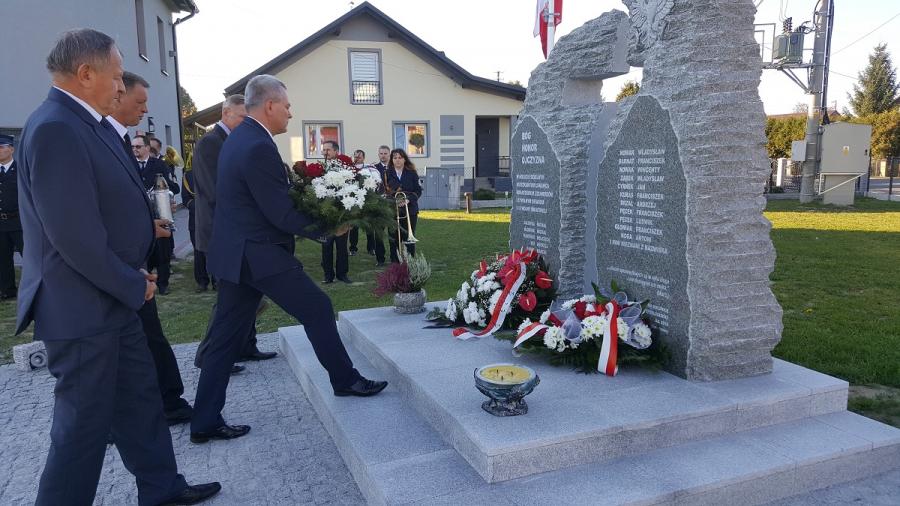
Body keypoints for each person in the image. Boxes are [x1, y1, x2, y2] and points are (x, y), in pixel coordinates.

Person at [16, 28, 219, 505]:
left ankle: (162, 488)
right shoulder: (55, 129)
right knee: (82, 429)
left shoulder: (91, 125)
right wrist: (130, 282)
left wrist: (134, 270)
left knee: (138, 401)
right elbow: (73, 237)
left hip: (113, 297)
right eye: (116, 76)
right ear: (86, 74)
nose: (121, 87)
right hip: (82, 308)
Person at [191, 75, 387, 444]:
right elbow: (278, 211)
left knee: (224, 338)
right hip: (258, 252)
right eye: (287, 106)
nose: (290, 113)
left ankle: (204, 420)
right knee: (317, 307)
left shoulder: (238, 138)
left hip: (236, 254)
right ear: (269, 105)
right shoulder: (257, 145)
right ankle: (345, 379)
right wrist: (329, 229)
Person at [108, 70, 193, 425]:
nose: (145, 110)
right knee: (134, 342)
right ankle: (155, 406)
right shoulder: (100, 139)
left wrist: (148, 226)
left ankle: (167, 400)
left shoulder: (118, 139)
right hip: (118, 267)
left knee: (148, 337)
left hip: (133, 260)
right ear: (117, 95)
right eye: (140, 101)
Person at [192, 95, 274, 366]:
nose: (246, 123)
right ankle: (208, 354)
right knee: (228, 299)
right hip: (220, 232)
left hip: (237, 232)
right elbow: (214, 191)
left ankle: (246, 345)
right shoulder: (210, 143)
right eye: (242, 117)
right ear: (226, 113)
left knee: (249, 292)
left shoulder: (234, 141)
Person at [133, 134, 179, 295]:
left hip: (159, 214)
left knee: (162, 252)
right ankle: (145, 280)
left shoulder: (159, 164)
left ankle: (163, 284)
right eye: (133, 147)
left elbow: (170, 186)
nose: (135, 150)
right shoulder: (129, 163)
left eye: (138, 147)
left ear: (147, 148)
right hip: (139, 215)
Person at [320, 140, 351, 284]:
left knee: (341, 246)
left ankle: (342, 274)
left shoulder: (344, 168)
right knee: (326, 245)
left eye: (328, 150)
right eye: (324, 150)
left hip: (341, 214)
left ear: (335, 151)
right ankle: (328, 275)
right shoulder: (320, 168)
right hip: (325, 213)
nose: (325, 152)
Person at [385, 148, 422, 261]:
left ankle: (410, 262)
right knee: (393, 238)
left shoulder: (412, 173)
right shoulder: (387, 173)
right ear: (392, 160)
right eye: (395, 158)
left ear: (405, 159)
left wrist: (408, 200)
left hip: (410, 209)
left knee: (408, 238)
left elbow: (418, 190)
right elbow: (384, 191)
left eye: (400, 157)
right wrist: (394, 201)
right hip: (392, 209)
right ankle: (395, 263)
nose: (397, 160)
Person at [0, 134, 23, 300]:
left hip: (19, 222)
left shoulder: (21, 171)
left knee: (29, 256)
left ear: (11, 149)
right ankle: (7, 291)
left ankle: (37, 288)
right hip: (1, 222)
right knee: (3, 259)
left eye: (2, 147)